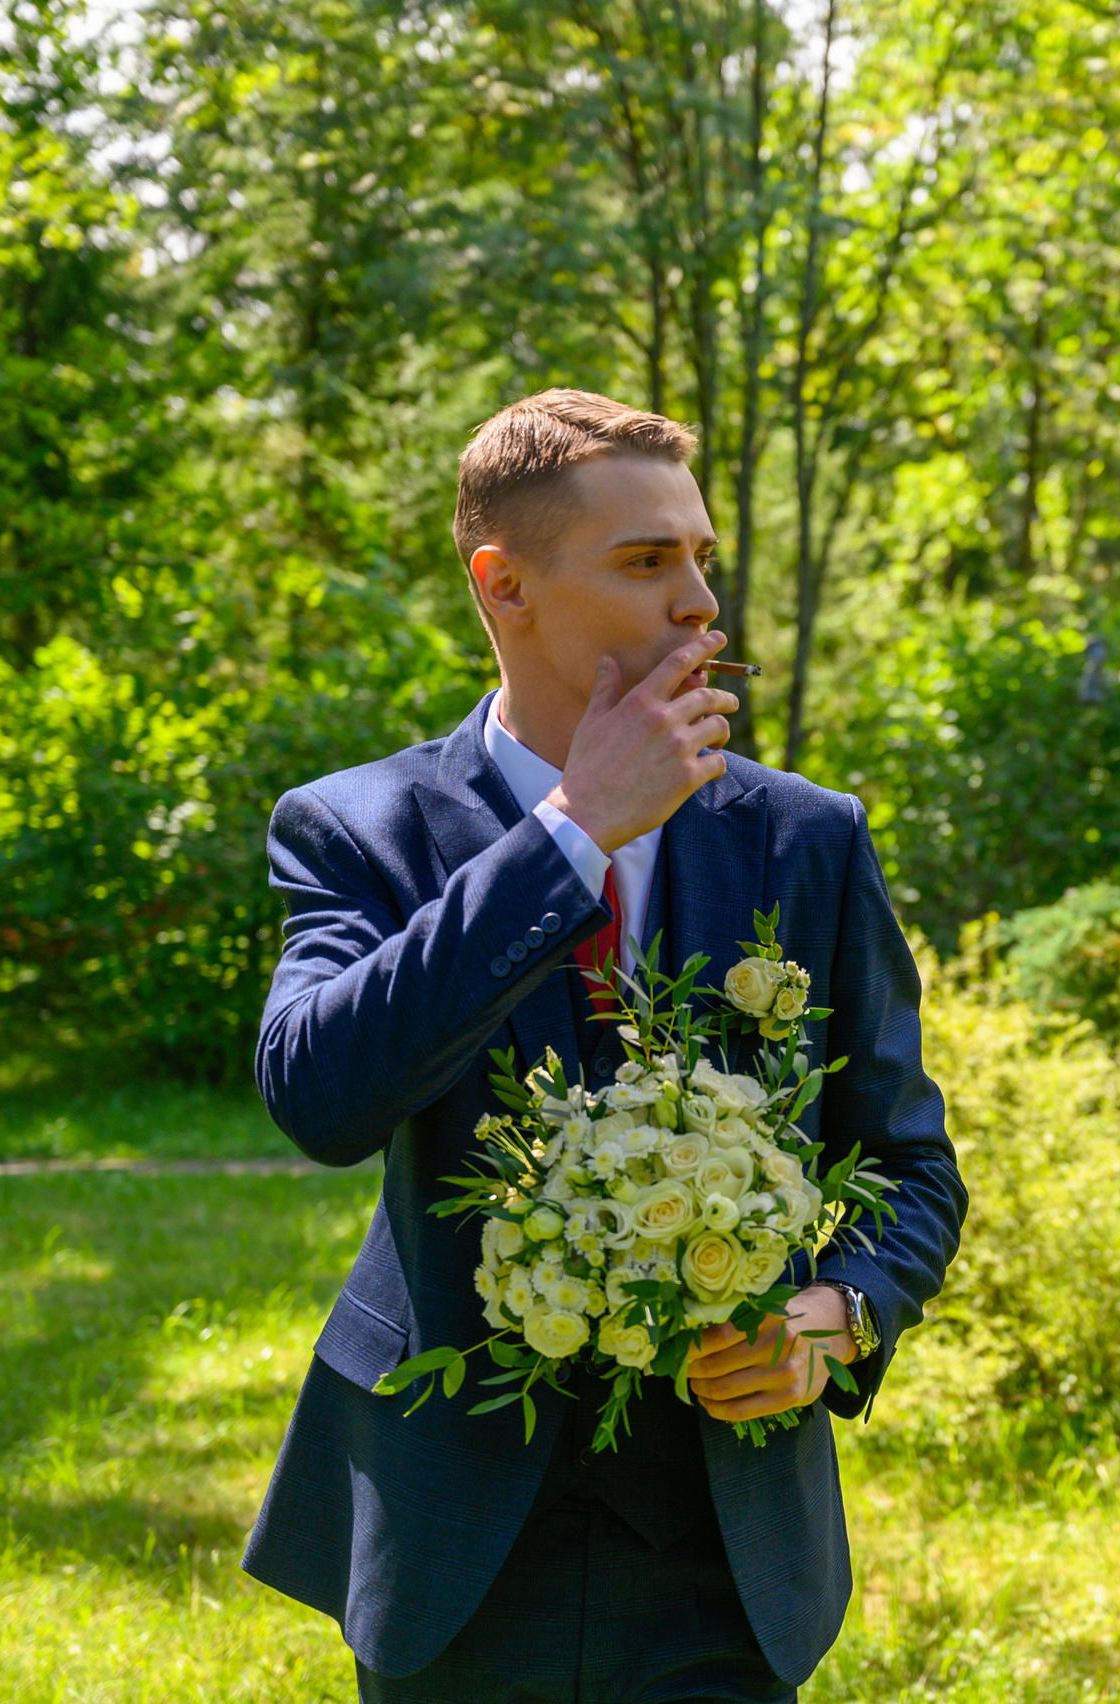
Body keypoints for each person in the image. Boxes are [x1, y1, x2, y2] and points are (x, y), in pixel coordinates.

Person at [239, 388, 968, 1703]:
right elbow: (321, 1098)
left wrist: (835, 1314)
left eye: (701, 557)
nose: (699, 602)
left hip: (724, 1542)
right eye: (646, 562)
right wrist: (572, 831)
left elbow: (910, 1165)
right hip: (453, 1528)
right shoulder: (358, 827)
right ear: (504, 584)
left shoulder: (804, 839)